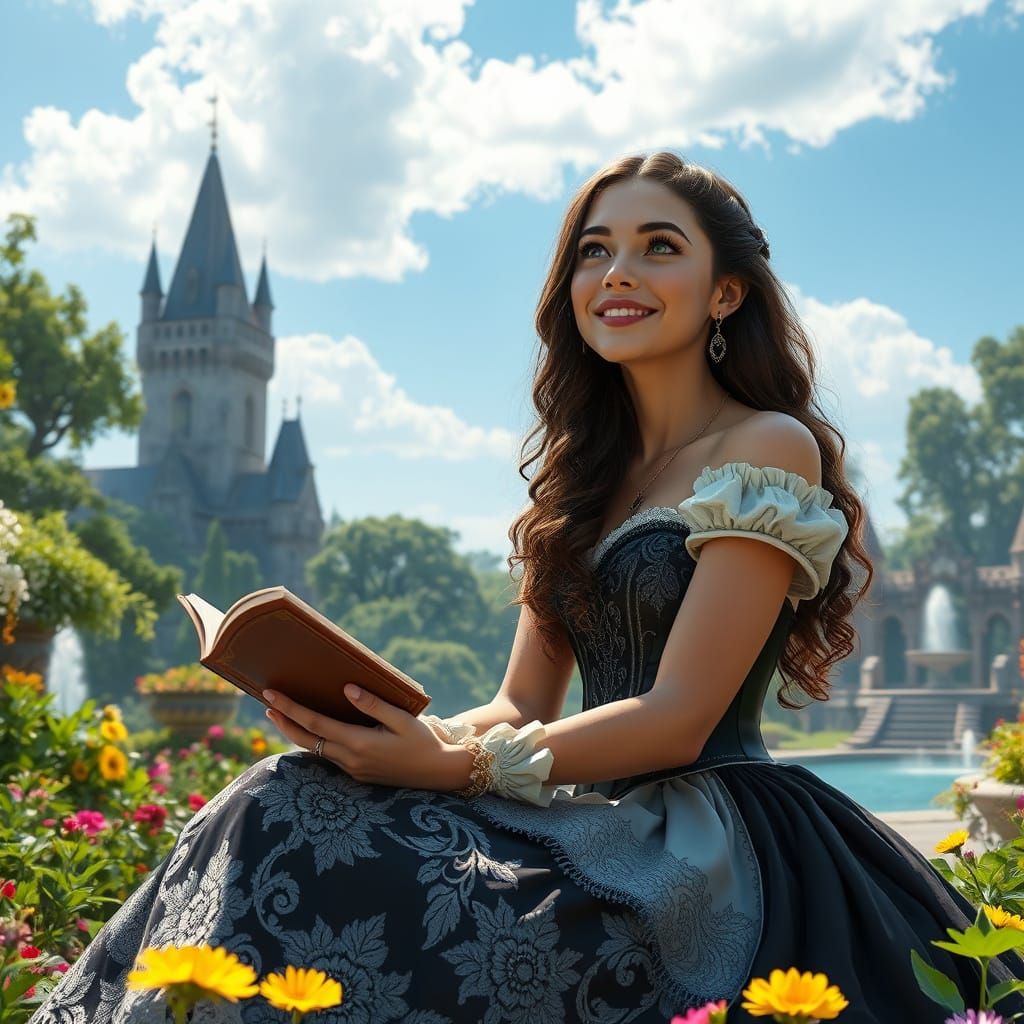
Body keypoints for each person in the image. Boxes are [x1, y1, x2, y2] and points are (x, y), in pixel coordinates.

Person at [30, 151, 1023, 1024]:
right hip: (575, 808)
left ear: (725, 291)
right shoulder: (579, 478)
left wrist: (448, 768)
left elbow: (677, 720)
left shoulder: (766, 446)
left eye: (657, 247)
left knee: (299, 836)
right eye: (594, 251)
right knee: (282, 791)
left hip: (698, 836)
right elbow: (517, 704)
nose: (617, 272)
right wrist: (379, 733)